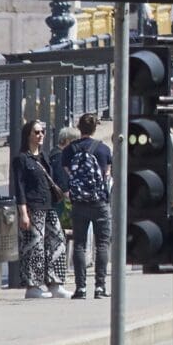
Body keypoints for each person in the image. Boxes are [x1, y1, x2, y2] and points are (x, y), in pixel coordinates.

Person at [12, 120, 69, 299]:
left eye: (42, 131)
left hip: (48, 205)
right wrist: (23, 213)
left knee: (57, 240)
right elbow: (19, 188)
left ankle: (55, 283)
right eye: (36, 132)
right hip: (32, 207)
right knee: (34, 246)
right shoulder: (21, 159)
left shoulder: (43, 157)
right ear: (28, 135)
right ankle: (33, 286)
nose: (41, 135)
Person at [60, 113, 114, 299]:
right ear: (95, 128)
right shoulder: (103, 149)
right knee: (102, 244)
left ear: (79, 127)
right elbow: (107, 173)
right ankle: (100, 287)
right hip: (99, 202)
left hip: (79, 203)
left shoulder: (69, 150)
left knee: (80, 245)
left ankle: (81, 288)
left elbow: (68, 173)